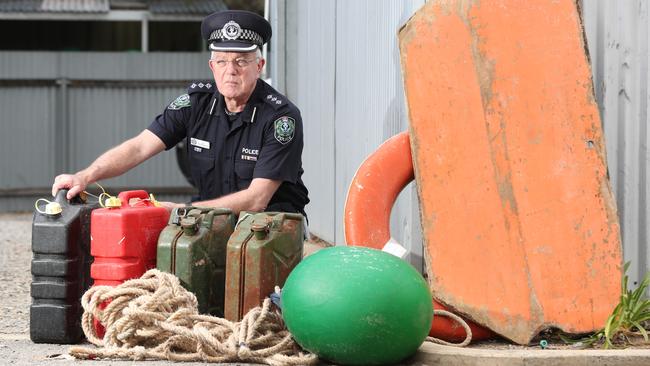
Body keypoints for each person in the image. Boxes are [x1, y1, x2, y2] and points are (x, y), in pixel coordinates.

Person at [51, 10, 309, 217]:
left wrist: (180, 211)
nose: (231, 70)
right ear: (212, 66)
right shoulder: (195, 104)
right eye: (222, 61)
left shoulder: (280, 118)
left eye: (241, 61)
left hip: (268, 226)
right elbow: (140, 147)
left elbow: (257, 200)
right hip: (210, 218)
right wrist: (85, 175)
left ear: (259, 66)